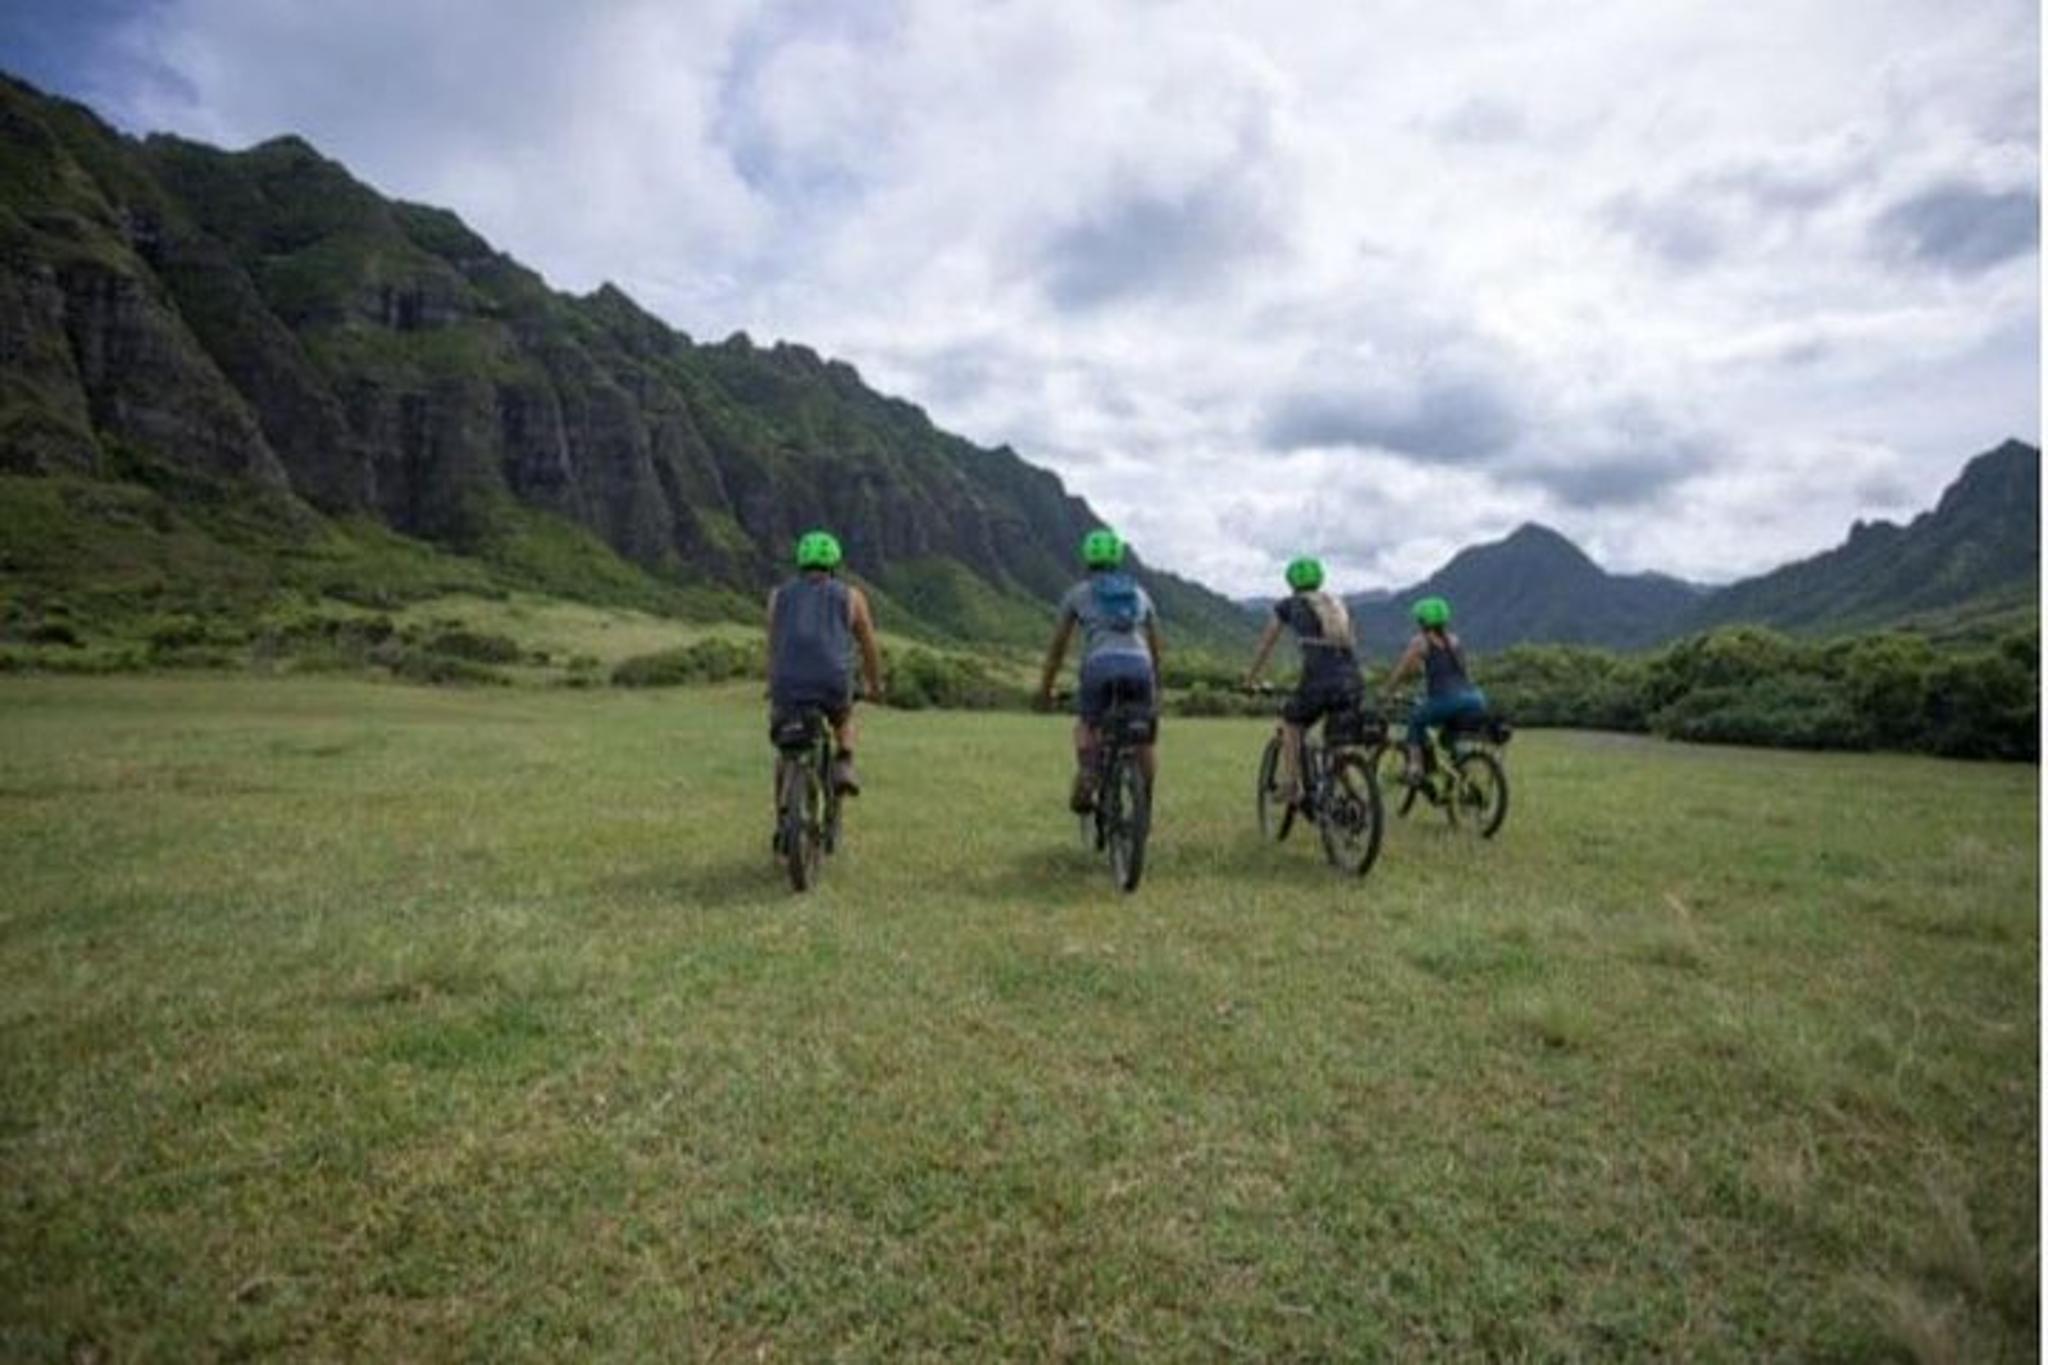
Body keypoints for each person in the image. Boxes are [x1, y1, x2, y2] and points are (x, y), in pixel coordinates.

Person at [1036, 527, 1163, 813]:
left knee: (1086, 724)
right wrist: (1156, 683)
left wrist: (1046, 689)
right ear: (1118, 559)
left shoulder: (1078, 594)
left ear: (1087, 560)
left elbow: (1057, 649)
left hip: (1099, 666)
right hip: (1140, 666)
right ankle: (1145, 798)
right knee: (1144, 736)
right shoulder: (1139, 594)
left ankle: (1089, 772)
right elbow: (1155, 646)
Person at [1241, 556, 1365, 805]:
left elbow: (1267, 643)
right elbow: (1351, 644)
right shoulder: (1340, 605)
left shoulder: (1289, 605)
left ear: (1291, 582)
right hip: (1353, 681)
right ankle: (1356, 800)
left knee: (1291, 723)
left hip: (1319, 681)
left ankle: (1291, 785)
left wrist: (1250, 678)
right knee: (1337, 747)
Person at [767, 530, 883, 794]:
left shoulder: (777, 597)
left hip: (788, 684)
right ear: (834, 564)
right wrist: (875, 686)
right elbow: (869, 648)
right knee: (843, 717)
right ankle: (844, 762)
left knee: (785, 742)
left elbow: (773, 646)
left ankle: (784, 811)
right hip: (832, 682)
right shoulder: (852, 597)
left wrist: (772, 683)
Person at [1382, 595, 1487, 785]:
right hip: (1474, 698)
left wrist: (1387, 691)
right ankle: (1461, 768)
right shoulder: (1455, 640)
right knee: (1448, 737)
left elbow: (1402, 671)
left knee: (1414, 721)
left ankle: (1415, 769)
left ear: (1422, 621)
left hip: (1447, 699)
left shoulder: (1420, 642)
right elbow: (1463, 672)